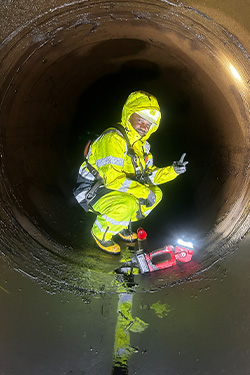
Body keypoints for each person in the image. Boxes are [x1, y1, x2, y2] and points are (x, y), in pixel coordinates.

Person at [73, 90, 188, 254]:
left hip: (114, 188)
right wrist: (143, 192)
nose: (144, 126)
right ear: (129, 115)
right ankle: (100, 233)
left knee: (157, 193)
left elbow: (148, 176)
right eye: (141, 119)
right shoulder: (113, 139)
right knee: (131, 202)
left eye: (149, 124)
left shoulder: (142, 147)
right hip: (92, 190)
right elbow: (113, 180)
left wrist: (173, 171)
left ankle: (121, 223)